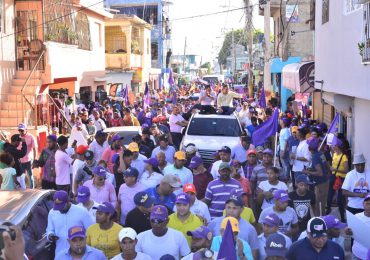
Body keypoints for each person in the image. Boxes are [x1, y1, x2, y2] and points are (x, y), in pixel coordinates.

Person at [208, 193, 259, 259]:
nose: (231, 211)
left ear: (242, 210)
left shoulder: (250, 229)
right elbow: (208, 249)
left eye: (234, 208)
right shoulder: (213, 224)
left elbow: (253, 253)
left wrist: (242, 255)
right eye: (228, 207)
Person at [46, 190, 93, 256]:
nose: (59, 209)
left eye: (61, 207)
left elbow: (91, 231)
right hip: (61, 253)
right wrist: (50, 235)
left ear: (67, 202)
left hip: (80, 253)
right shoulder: (52, 213)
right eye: (58, 207)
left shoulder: (81, 211)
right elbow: (50, 229)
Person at [302, 137, 329, 217]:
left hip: (320, 184)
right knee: (322, 205)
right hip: (324, 182)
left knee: (318, 205)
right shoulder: (321, 153)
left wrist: (307, 172)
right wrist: (312, 169)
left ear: (309, 148)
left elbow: (319, 173)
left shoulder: (314, 157)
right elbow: (327, 166)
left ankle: (319, 223)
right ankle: (322, 221)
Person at [326, 141, 349, 221]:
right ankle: (327, 211)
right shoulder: (334, 154)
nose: (332, 147)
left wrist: (334, 169)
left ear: (338, 146)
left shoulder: (344, 157)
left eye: (334, 146)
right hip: (333, 177)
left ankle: (342, 217)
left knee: (340, 199)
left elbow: (346, 170)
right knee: (330, 195)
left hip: (341, 179)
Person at [345, 194, 370, 259]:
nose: (369, 206)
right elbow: (350, 233)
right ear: (363, 204)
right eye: (368, 203)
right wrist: (347, 231)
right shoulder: (356, 217)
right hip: (357, 254)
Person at [18, 123, 37, 189]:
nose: (21, 132)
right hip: (20, 161)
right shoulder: (18, 137)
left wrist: (35, 160)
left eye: (22, 130)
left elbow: (35, 149)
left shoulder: (31, 137)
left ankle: (32, 191)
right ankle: (22, 191)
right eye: (19, 130)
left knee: (30, 176)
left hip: (29, 160)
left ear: (26, 130)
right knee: (21, 177)